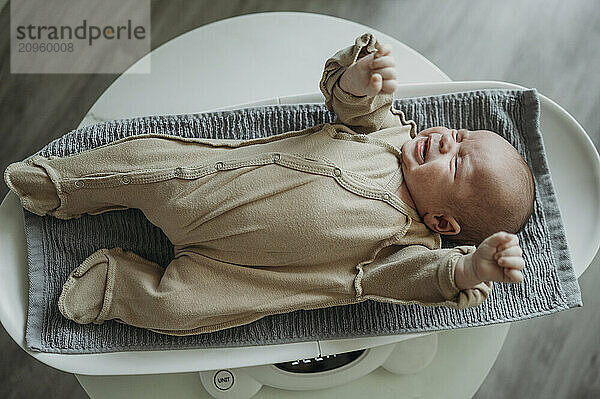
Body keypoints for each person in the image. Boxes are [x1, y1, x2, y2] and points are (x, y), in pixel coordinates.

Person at [3, 33, 534, 336]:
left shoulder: (409, 247)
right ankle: (67, 185)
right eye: (459, 135)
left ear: (442, 222)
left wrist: (469, 268)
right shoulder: (388, 133)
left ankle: (117, 286)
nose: (445, 141)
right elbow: (349, 102)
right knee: (147, 165)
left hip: (240, 276)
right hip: (212, 190)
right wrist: (359, 76)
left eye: (457, 164)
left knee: (178, 311)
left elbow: (428, 278)